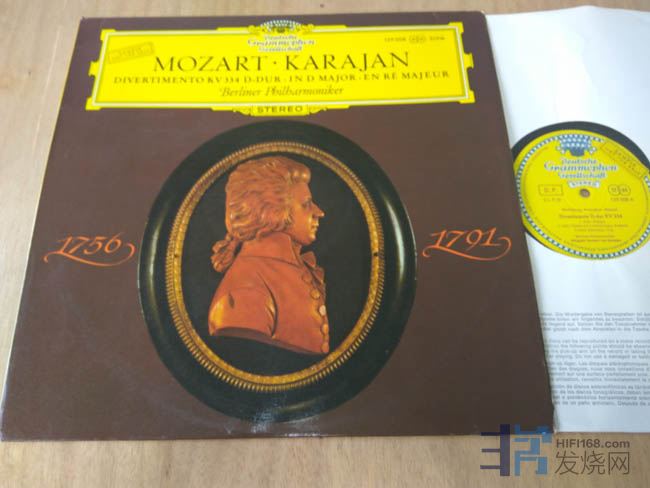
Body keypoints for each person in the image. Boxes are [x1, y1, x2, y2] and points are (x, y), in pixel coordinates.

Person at [208, 156, 331, 355]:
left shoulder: (287, 267)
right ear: (273, 212)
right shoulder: (245, 289)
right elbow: (252, 358)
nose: (319, 212)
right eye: (306, 204)